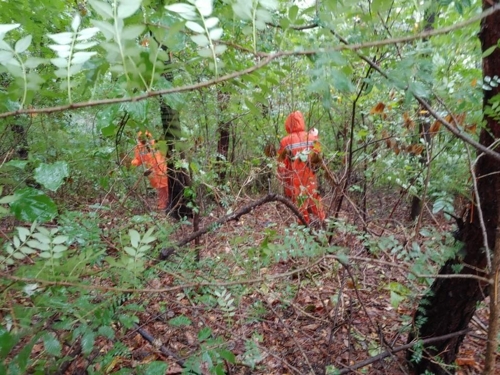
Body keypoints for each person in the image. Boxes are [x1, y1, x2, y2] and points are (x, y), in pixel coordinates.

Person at [277, 111, 326, 224]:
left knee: (300, 203)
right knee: (315, 199)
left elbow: (281, 164)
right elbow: (318, 155)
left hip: (295, 178)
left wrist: (283, 179)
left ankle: (304, 227)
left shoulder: (285, 141)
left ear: (288, 123)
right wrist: (315, 136)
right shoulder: (311, 138)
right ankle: (322, 222)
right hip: (310, 177)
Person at [131, 130, 169, 211]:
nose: (144, 139)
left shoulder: (155, 143)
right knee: (161, 190)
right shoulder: (139, 148)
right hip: (153, 173)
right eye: (141, 138)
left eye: (146, 137)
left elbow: (166, 152)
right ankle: (163, 206)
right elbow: (138, 160)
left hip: (164, 170)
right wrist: (133, 163)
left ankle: (171, 205)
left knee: (168, 188)